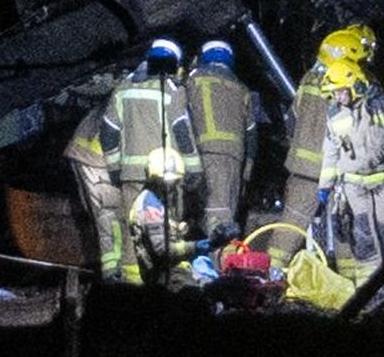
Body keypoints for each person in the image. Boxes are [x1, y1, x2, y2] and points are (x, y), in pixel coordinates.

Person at [101, 38, 203, 288]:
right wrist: (194, 168)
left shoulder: (123, 89)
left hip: (131, 175)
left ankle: (131, 289)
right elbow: (182, 132)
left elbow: (109, 131)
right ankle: (163, 286)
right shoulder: (171, 91)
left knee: (131, 234)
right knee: (167, 230)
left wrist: (115, 168)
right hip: (166, 174)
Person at [263, 28, 368, 269]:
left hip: (302, 170)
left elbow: (291, 119)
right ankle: (351, 284)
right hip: (335, 170)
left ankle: (268, 275)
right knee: (344, 227)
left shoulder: (308, 81)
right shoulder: (344, 86)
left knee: (291, 225)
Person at [316, 57, 384, 286]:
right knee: (363, 238)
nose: (338, 98)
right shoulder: (335, 114)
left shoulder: (381, 105)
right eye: (334, 93)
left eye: (342, 91)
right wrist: (324, 187)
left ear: (357, 85)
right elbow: (331, 152)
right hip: (353, 184)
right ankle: (368, 290)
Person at [185, 39, 257, 246]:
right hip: (233, 159)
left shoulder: (194, 79)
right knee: (223, 214)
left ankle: (216, 269)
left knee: (205, 215)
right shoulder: (243, 89)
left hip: (199, 153)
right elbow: (252, 133)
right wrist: (247, 170)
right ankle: (220, 264)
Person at [62, 98, 129, 282]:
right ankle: (113, 273)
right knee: (110, 214)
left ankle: (113, 267)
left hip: (91, 154)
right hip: (95, 158)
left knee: (109, 215)